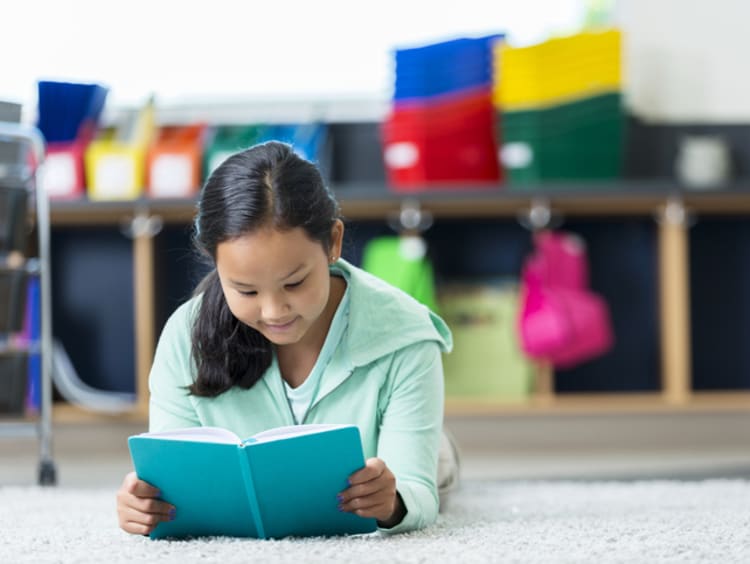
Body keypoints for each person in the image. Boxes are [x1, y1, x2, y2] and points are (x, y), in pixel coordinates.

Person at [116, 141, 456, 536]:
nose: (275, 311)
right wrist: (143, 504)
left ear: (334, 242)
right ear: (215, 264)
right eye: (246, 291)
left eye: (295, 283)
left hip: (391, 456)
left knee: (438, 463)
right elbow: (170, 481)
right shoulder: (184, 336)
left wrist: (394, 502)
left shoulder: (406, 336)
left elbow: (417, 491)